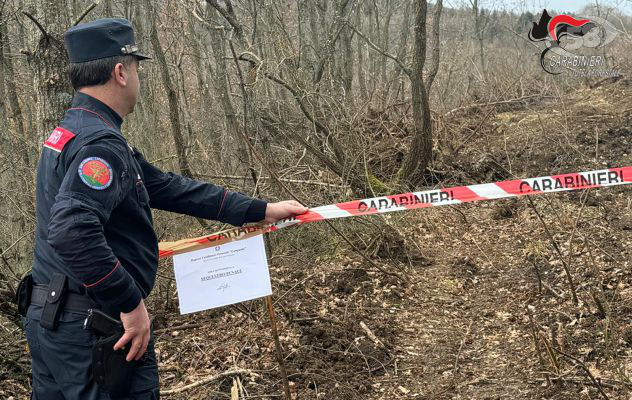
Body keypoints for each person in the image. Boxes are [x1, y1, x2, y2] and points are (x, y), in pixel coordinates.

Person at [20, 18, 307, 399]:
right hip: (91, 330)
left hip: (51, 320)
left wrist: (259, 209)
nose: (138, 78)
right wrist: (130, 302)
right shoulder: (99, 144)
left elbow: (166, 187)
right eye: (137, 68)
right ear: (121, 72)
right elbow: (71, 230)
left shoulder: (72, 132)